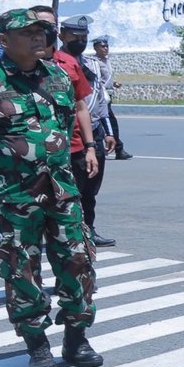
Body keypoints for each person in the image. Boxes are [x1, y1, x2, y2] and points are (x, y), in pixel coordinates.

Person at [0, 8, 102, 367]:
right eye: (28, 33)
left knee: (77, 260)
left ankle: (76, 337)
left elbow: (63, 126)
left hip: (62, 190)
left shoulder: (57, 76)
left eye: (41, 31)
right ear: (4, 40)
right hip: (14, 196)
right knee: (21, 269)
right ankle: (37, 345)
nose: (39, 37)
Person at [56, 15, 116, 246]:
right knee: (72, 189)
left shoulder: (92, 64)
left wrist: (108, 132)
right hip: (69, 136)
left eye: (84, 37)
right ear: (62, 36)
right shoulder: (54, 64)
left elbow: (101, 100)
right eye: (75, 37)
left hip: (94, 132)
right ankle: (69, 233)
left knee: (91, 188)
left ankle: (88, 230)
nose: (80, 41)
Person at [92, 34, 131, 159]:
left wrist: (114, 84)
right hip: (101, 97)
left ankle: (114, 147)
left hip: (108, 95)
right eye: (102, 46)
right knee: (109, 122)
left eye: (107, 46)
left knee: (107, 123)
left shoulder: (107, 61)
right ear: (96, 48)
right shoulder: (94, 62)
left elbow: (106, 78)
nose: (105, 48)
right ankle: (118, 148)